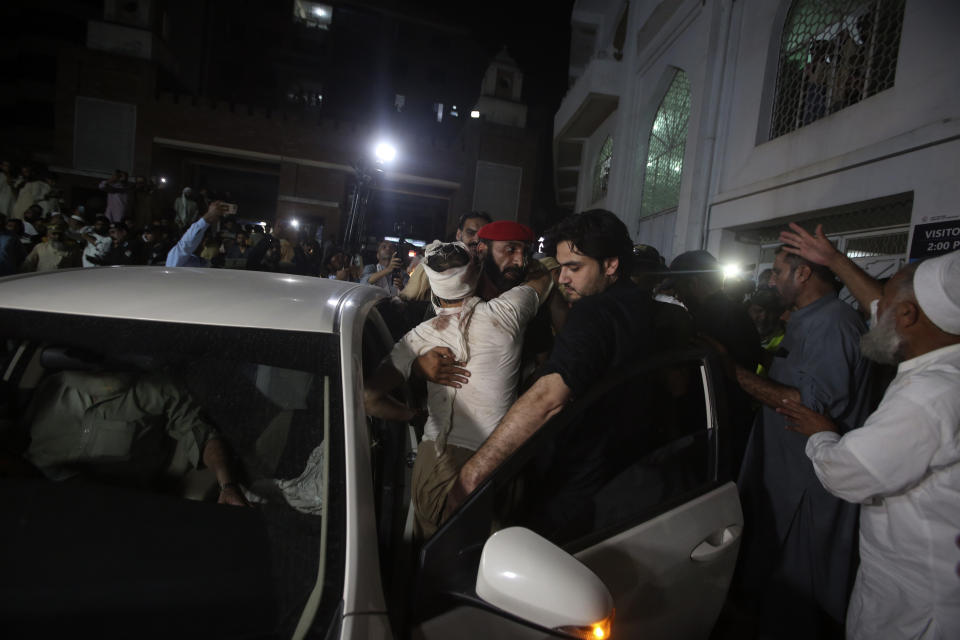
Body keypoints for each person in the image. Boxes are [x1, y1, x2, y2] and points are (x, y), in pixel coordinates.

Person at [775, 226, 960, 640]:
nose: (873, 310)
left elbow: (850, 473)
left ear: (909, 317)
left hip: (917, 603)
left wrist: (821, 434)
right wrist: (835, 259)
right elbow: (880, 307)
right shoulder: (942, 358)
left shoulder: (929, 396)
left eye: (888, 302)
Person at [444, 209, 657, 525]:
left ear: (611, 264)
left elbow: (547, 399)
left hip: (580, 489)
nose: (562, 278)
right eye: (560, 268)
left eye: (574, 268)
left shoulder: (594, 312)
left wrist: (472, 476)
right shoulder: (648, 307)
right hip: (632, 481)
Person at [730, 242, 875, 639]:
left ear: (803, 274)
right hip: (784, 476)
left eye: (777, 272)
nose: (772, 280)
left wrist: (733, 373)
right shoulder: (806, 319)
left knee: (799, 596)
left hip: (807, 487)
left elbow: (808, 405)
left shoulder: (835, 324)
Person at [364, 240, 551, 537]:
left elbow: (370, 398)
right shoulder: (508, 312)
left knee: (436, 565)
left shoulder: (417, 338)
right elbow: (543, 277)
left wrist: (414, 415)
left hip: (437, 464)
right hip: (499, 462)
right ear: (475, 274)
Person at [23, 368, 248, 506]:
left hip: (118, 514)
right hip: (34, 506)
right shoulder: (50, 389)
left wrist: (227, 484)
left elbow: (201, 433)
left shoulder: (156, 390)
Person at [400, 211, 492, 302]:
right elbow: (407, 299)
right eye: (470, 233)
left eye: (483, 236)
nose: (476, 240)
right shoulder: (432, 266)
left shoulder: (493, 273)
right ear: (459, 234)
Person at [165, 201, 228, 268]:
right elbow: (187, 242)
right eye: (201, 238)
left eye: (203, 238)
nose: (203, 242)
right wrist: (208, 216)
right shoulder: (175, 257)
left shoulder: (199, 261)